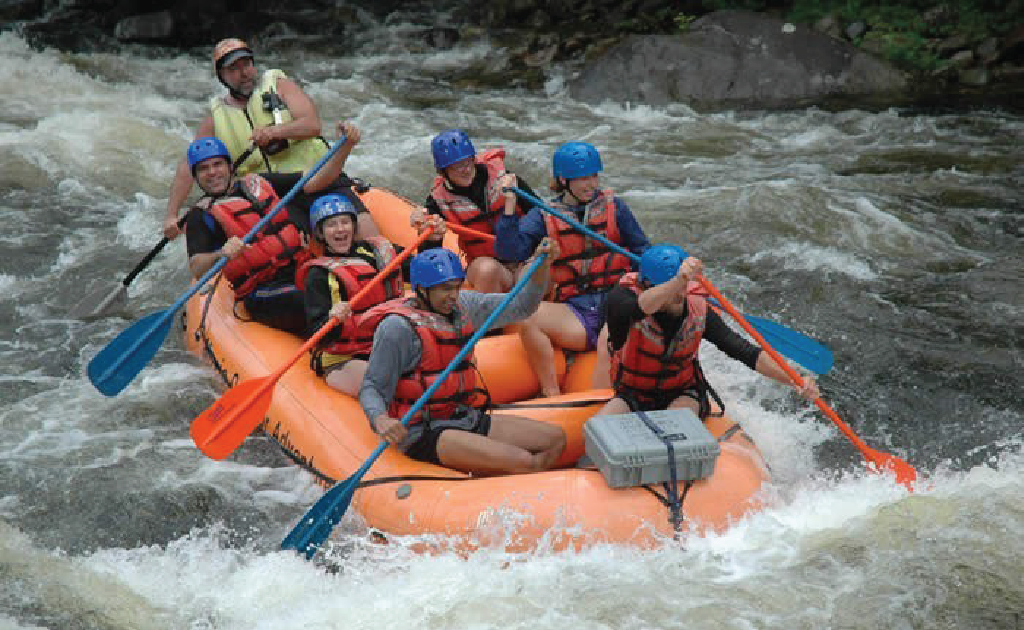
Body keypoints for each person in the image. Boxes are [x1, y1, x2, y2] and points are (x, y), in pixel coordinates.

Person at [357, 245, 566, 474]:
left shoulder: (466, 306)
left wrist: (541, 266)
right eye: (445, 289)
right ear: (421, 290)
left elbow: (523, 307)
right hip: (422, 429)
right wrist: (380, 419)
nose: (453, 295)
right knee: (526, 462)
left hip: (462, 415)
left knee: (557, 440)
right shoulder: (397, 328)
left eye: (457, 287)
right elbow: (372, 387)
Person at [164, 38, 378, 240]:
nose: (243, 73)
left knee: (366, 230)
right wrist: (172, 215)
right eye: (233, 69)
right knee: (288, 243)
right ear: (222, 76)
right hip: (271, 199)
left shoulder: (279, 85)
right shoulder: (215, 118)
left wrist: (274, 132)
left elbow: (312, 124)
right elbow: (189, 165)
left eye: (246, 64)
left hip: (320, 178)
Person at [495, 141, 649, 397]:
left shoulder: (615, 207)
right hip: (578, 309)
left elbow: (641, 250)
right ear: (563, 179)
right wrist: (509, 206)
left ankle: (606, 401)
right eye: (582, 178)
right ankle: (551, 392)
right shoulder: (544, 214)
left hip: (618, 300)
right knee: (529, 320)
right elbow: (510, 252)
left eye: (593, 176)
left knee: (607, 342)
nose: (591, 184)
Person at [598, 244, 819, 419]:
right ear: (645, 285)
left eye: (684, 286)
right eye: (674, 287)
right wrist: (678, 280)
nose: (680, 294)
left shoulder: (698, 308)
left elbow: (745, 352)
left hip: (682, 393)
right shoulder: (621, 300)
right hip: (632, 394)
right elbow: (642, 307)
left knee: (675, 426)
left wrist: (794, 380)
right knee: (599, 430)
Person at [183, 122, 360, 335]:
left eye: (217, 164)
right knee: (310, 301)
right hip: (263, 291)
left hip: (302, 269)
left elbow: (316, 181)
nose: (212, 172)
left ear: (230, 167)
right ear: (196, 177)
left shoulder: (259, 182)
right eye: (203, 168)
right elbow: (197, 267)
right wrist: (222, 254)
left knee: (353, 280)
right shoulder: (201, 215)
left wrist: (346, 147)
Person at [297, 194, 446, 396]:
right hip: (346, 357)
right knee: (387, 385)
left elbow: (426, 272)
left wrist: (431, 242)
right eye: (332, 225)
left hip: (391, 340)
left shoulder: (379, 251)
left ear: (353, 226)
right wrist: (333, 318)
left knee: (434, 369)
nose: (340, 229)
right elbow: (319, 334)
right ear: (321, 233)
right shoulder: (319, 275)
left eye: (345, 222)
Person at [409, 129, 541, 293]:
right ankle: (493, 310)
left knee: (536, 268)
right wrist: (432, 238)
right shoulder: (437, 202)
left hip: (524, 258)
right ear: (443, 172)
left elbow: (542, 215)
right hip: (489, 269)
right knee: (486, 269)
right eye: (457, 166)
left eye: (467, 162)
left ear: (474, 159)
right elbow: (428, 258)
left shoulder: (505, 180)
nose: (465, 170)